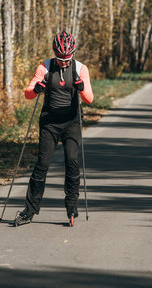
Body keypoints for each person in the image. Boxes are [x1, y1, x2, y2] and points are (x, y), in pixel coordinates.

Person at [14, 31, 94, 226]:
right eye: (60, 59)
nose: (64, 63)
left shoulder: (80, 69)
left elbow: (89, 99)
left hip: (72, 122)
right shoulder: (45, 67)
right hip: (49, 123)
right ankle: (29, 210)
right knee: (42, 164)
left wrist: (81, 87)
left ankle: (72, 206)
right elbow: (27, 94)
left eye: (67, 59)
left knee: (72, 162)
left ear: (73, 54)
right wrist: (36, 89)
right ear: (54, 54)